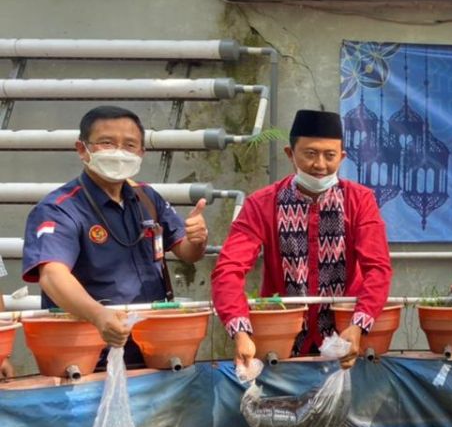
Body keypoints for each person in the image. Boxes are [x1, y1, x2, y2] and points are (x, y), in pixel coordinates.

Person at [21, 106, 208, 368]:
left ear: (142, 153)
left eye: (130, 145)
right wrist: (99, 316)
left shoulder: (146, 197)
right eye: (106, 143)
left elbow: (187, 252)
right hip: (88, 349)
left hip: (153, 345)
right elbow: (52, 275)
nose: (119, 152)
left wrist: (197, 238)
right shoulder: (60, 208)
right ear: (82, 149)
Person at [212, 109, 391, 370]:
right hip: (281, 340)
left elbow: (378, 268)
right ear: (290, 154)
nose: (320, 164)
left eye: (330, 156)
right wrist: (240, 331)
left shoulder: (359, 201)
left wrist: (359, 325)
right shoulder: (262, 203)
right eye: (310, 153)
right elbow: (228, 270)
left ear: (342, 157)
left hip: (346, 337)